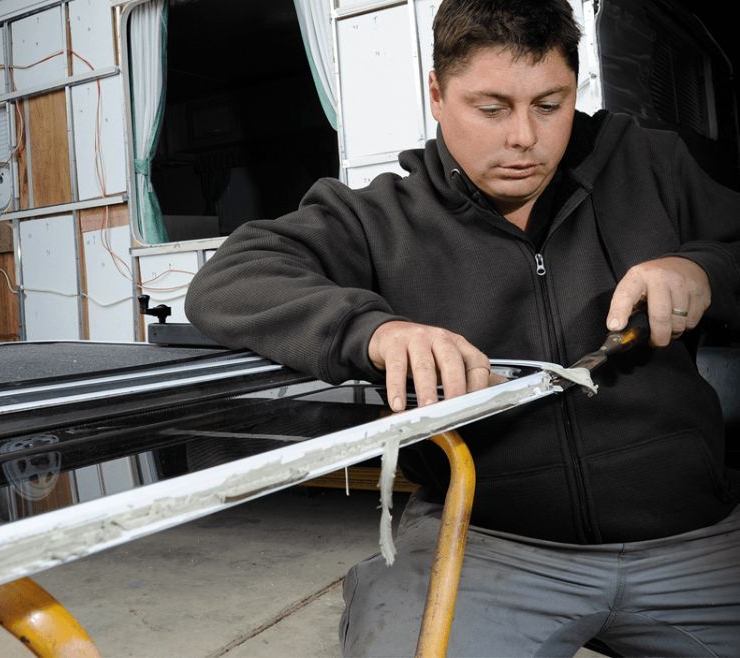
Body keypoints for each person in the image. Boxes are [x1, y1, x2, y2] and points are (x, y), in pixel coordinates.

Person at [185, 0, 740, 654]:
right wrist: (374, 331)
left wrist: (703, 269)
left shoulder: (655, 165)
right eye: (490, 108)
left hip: (698, 541)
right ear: (436, 95)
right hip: (483, 541)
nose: (522, 139)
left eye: (548, 104)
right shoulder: (377, 216)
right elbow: (228, 279)